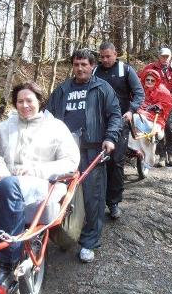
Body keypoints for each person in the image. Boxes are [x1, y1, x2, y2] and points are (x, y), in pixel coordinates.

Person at [0, 82, 80, 294]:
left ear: (39, 101)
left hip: (41, 183)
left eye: (29, 100)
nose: (24, 105)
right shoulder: (6, 126)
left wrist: (36, 169)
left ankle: (6, 266)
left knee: (8, 185)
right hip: (7, 181)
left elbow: (71, 162)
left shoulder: (55, 127)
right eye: (20, 101)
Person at [46, 49, 121, 263]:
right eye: (76, 64)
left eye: (84, 65)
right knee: (61, 195)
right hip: (64, 152)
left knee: (92, 198)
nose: (80, 68)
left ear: (92, 66)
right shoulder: (62, 90)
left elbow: (115, 115)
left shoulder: (102, 88)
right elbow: (47, 117)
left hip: (93, 150)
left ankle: (89, 242)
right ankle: (65, 235)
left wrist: (110, 138)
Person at [94, 42, 144, 220]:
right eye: (102, 56)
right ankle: (96, 200)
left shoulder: (126, 70)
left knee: (115, 161)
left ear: (116, 54)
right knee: (96, 162)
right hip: (98, 123)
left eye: (108, 56)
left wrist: (131, 111)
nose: (105, 60)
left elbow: (139, 93)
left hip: (121, 122)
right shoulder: (94, 71)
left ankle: (113, 202)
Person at [142, 47, 172, 167]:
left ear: (170, 57)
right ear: (159, 57)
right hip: (153, 102)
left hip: (167, 102)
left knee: (169, 127)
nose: (164, 59)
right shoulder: (150, 67)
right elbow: (141, 78)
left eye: (167, 56)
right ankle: (160, 154)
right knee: (156, 128)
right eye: (162, 56)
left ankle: (171, 153)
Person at [128, 70, 172, 168]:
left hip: (156, 117)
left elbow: (167, 105)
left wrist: (158, 106)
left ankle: (165, 155)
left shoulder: (162, 91)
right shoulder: (140, 89)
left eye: (152, 80)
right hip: (140, 113)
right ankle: (134, 148)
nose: (149, 82)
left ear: (156, 81)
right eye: (147, 80)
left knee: (167, 130)